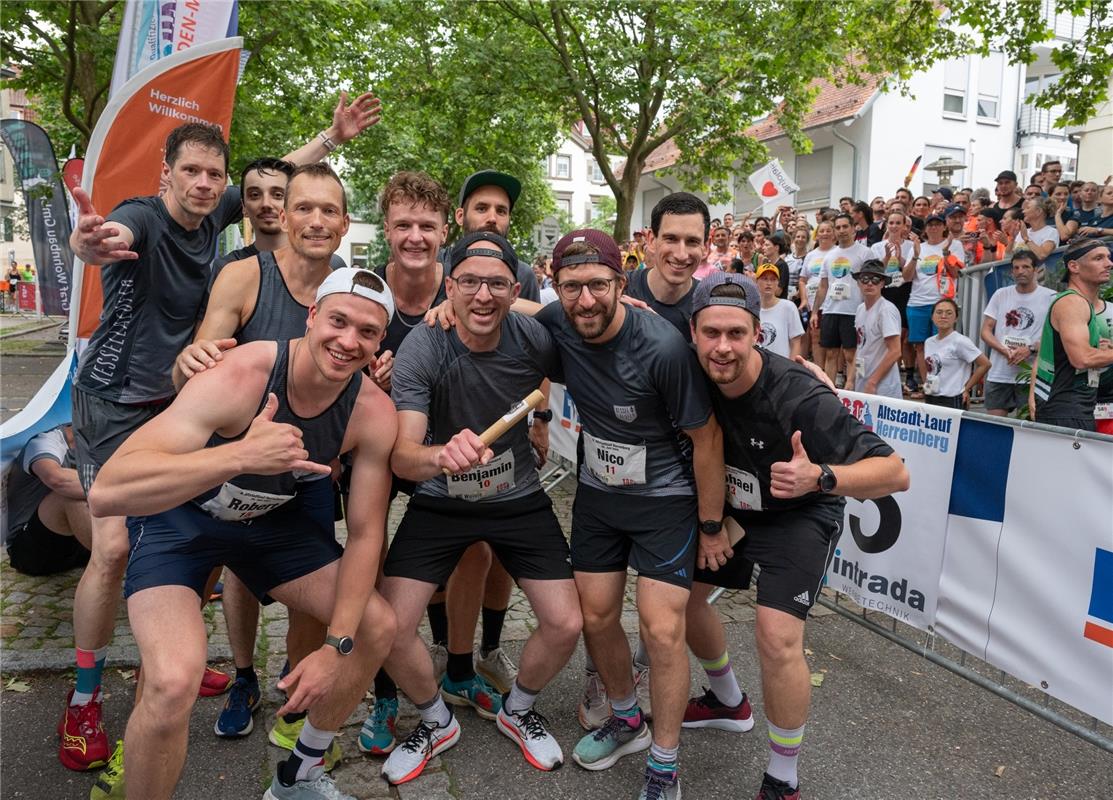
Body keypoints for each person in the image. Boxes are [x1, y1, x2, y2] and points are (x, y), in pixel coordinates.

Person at [62, 94, 380, 777]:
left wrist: (329, 136)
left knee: (226, 556)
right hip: (120, 401)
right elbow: (104, 237)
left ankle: (218, 688)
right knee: (115, 543)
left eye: (216, 175)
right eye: (193, 173)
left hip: (205, 414)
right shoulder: (145, 217)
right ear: (164, 174)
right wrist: (88, 244)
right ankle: (88, 693)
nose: (207, 184)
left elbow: (283, 185)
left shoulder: (217, 216)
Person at [86, 268, 399, 800]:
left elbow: (368, 534)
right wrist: (239, 455)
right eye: (338, 321)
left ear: (380, 343)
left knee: (375, 626)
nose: (349, 342)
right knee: (171, 682)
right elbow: (108, 491)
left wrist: (334, 644)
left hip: (272, 524)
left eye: (367, 332)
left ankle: (298, 779)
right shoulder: (242, 375)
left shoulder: (373, 411)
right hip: (181, 522)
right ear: (311, 316)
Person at [685, 270, 909, 800]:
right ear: (691, 332)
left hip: (799, 512)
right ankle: (727, 701)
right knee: (679, 603)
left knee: (776, 637)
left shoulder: (801, 395)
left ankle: (782, 778)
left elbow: (896, 472)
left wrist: (823, 476)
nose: (722, 347)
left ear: (757, 333)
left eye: (736, 334)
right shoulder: (689, 369)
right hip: (734, 510)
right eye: (711, 333)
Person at [172, 163, 364, 746]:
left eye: (328, 211)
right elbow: (198, 362)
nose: (315, 221)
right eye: (303, 208)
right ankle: (245, 676)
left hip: (308, 472)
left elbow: (364, 370)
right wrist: (188, 363)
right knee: (237, 573)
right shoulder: (244, 276)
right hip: (239, 465)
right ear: (284, 214)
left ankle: (295, 683)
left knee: (313, 581)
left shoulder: (351, 285)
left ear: (344, 222)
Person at [379, 232, 581, 784]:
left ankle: (518, 710)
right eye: (469, 282)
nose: (483, 295)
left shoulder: (534, 338)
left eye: (496, 284)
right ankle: (434, 718)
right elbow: (401, 456)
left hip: (517, 498)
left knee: (565, 622)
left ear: (515, 290)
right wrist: (439, 455)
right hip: (441, 500)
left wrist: (632, 304)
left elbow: (595, 327)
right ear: (450, 287)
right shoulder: (425, 346)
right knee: (389, 627)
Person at [536, 229, 725, 800]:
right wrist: (448, 305)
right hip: (598, 495)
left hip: (665, 501)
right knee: (595, 618)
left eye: (598, 285)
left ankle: (664, 764)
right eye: (572, 287)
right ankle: (626, 720)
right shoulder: (557, 322)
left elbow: (708, 438)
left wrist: (712, 526)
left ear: (623, 282)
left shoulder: (662, 348)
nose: (585, 301)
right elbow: (509, 306)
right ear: (557, 287)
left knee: (662, 630)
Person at [1032, 240, 1113, 430]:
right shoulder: (1072, 303)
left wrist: (1103, 352)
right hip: (1065, 410)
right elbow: (1082, 358)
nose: (1109, 263)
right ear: (1074, 266)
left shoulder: (1078, 303)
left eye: (1108, 257)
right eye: (1098, 258)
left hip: (1073, 408)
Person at [2, 425, 91, 576]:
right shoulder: (45, 442)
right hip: (30, 551)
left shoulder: (107, 444)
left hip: (77, 545)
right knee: (68, 496)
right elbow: (57, 479)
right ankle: (112, 559)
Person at [980, 250, 1055, 417]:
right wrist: (1003, 350)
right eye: (1016, 267)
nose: (1021, 271)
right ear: (1012, 271)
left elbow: (1056, 335)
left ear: (1036, 270)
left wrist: (1031, 349)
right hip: (1000, 371)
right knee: (994, 425)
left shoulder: (1050, 297)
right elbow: (985, 331)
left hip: (1031, 373)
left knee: (1029, 427)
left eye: (1026, 267)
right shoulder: (1001, 294)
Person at [623, 192, 706, 343]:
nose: (681, 255)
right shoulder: (619, 290)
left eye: (692, 241)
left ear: (705, 246)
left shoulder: (710, 305)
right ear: (651, 239)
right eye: (671, 239)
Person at [903, 214, 963, 398]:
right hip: (917, 302)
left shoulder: (955, 245)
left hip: (942, 301)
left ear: (944, 227)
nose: (934, 228)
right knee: (920, 346)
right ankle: (928, 387)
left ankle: (944, 386)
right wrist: (914, 255)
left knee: (942, 345)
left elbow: (956, 273)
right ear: (925, 229)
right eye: (930, 225)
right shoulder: (919, 247)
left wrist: (945, 253)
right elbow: (906, 277)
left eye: (937, 224)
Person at [811, 213, 872, 387]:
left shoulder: (865, 252)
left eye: (845, 226)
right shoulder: (829, 255)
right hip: (831, 309)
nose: (842, 230)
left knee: (851, 354)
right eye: (838, 227)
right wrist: (815, 311)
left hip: (854, 310)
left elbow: (872, 282)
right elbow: (823, 286)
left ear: (854, 228)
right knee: (831, 353)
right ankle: (829, 389)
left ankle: (851, 389)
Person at [922, 299, 990, 409]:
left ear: (956, 318)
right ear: (932, 317)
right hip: (931, 395)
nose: (943, 316)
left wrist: (966, 388)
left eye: (949, 313)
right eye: (939, 312)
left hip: (952, 399)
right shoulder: (929, 342)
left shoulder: (960, 341)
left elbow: (985, 364)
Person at [851, 260, 902, 399]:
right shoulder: (860, 309)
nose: (869, 283)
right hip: (863, 381)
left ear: (882, 283)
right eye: (865, 279)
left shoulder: (886, 310)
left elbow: (895, 351)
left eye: (875, 279)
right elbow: (860, 346)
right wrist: (850, 380)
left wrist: (873, 382)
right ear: (858, 282)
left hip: (882, 387)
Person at [756, 263, 803, 359]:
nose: (769, 283)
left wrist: (791, 368)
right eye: (764, 279)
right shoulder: (751, 308)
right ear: (757, 282)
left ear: (778, 283)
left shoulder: (788, 307)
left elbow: (796, 342)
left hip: (782, 367)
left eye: (773, 279)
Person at [1005, 197, 1060, 261]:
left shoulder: (1051, 232)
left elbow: (1042, 255)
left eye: (1028, 208)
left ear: (1038, 211)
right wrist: (1012, 238)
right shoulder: (1023, 232)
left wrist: (1026, 238)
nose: (1023, 211)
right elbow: (1007, 257)